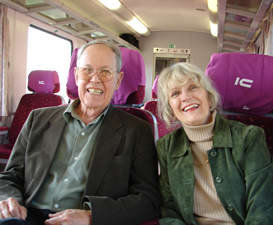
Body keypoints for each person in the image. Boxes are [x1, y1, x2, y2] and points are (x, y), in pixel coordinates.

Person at [0, 40, 161, 225]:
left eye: (105, 71)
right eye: (87, 70)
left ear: (118, 80)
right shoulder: (38, 119)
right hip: (25, 216)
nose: (95, 79)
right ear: (76, 75)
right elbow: (10, 176)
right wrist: (7, 199)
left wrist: (93, 215)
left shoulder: (137, 130)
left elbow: (148, 199)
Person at [156, 62, 273, 225]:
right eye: (175, 94)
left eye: (193, 87)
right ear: (170, 108)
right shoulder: (166, 146)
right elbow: (168, 209)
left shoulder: (248, 137)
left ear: (208, 95)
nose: (185, 97)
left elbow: (263, 208)